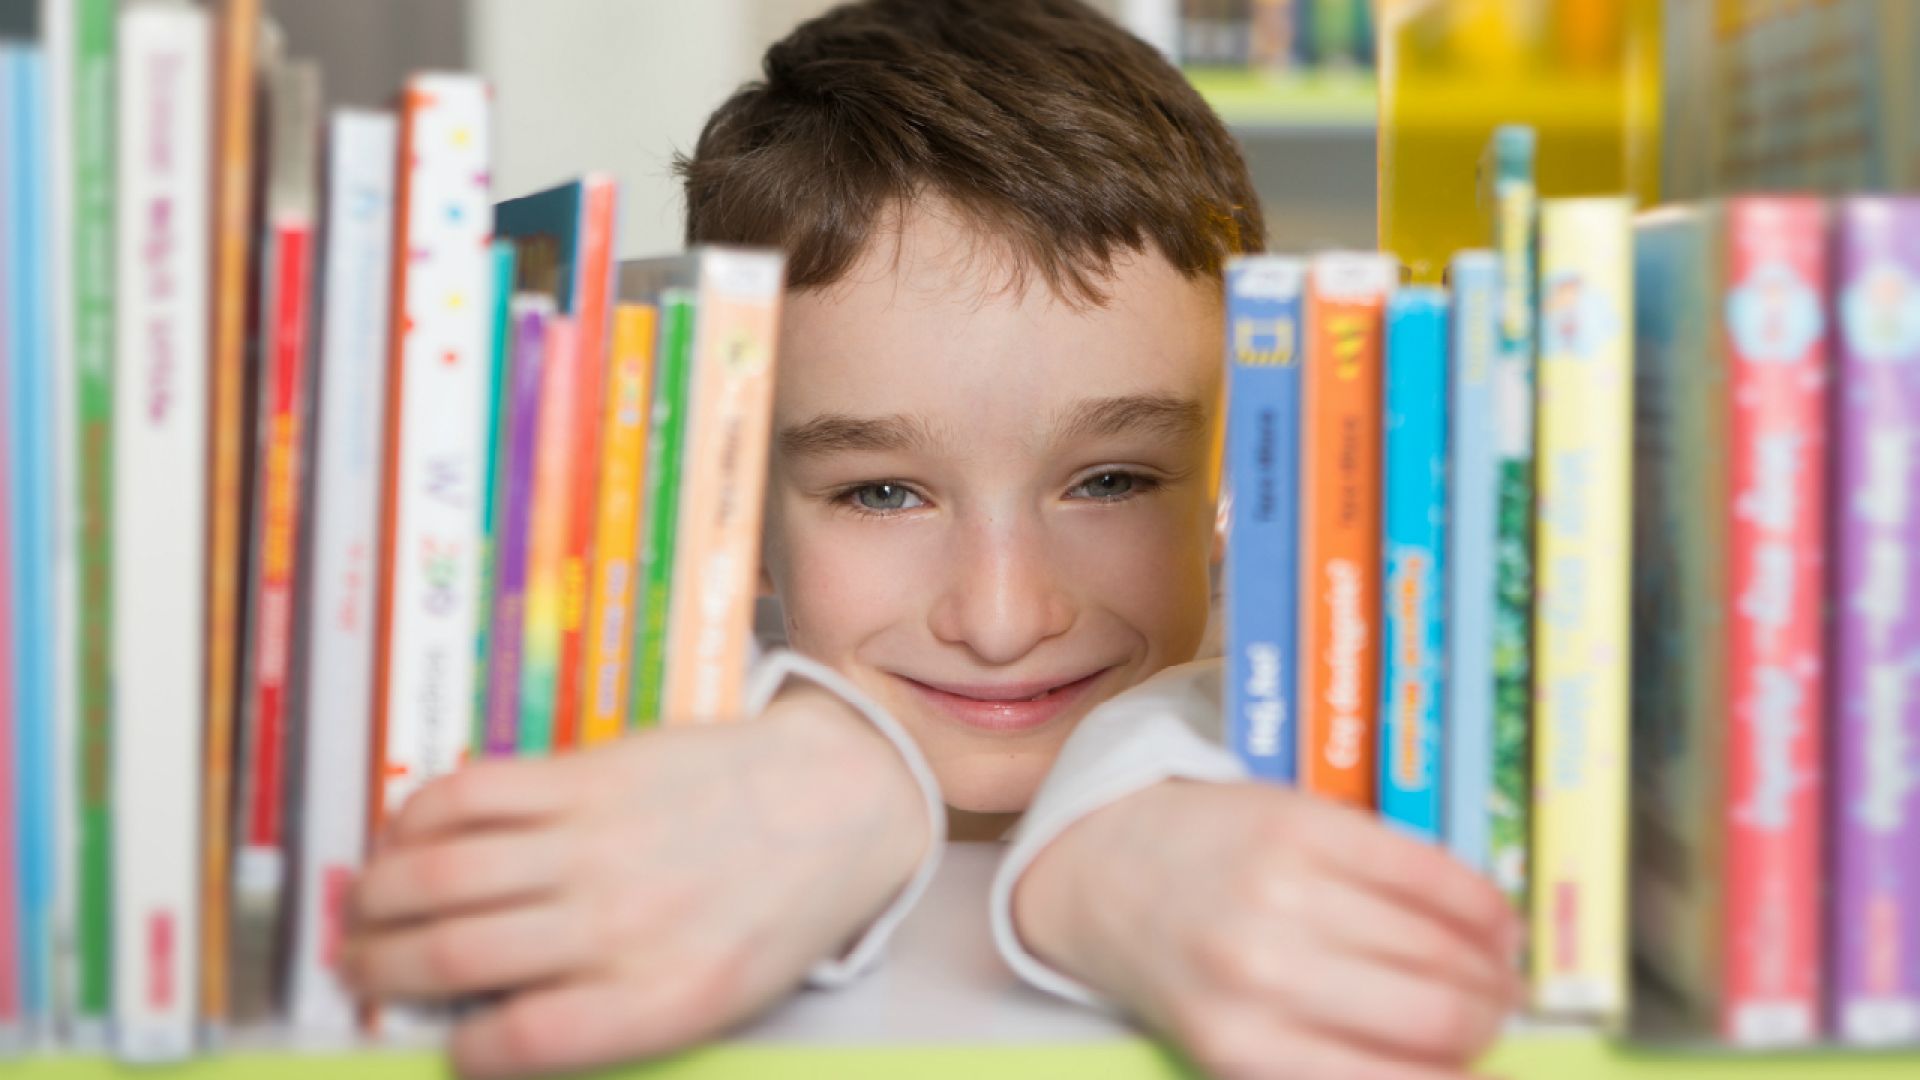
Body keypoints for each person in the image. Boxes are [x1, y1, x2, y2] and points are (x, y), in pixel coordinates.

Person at [342, 2, 1521, 1077]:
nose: (1005, 618)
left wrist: (1118, 844)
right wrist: (845, 772)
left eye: (1110, 479)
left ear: (1243, 479)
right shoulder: (606, 725)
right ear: (725, 506)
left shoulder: (1375, 717)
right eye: (882, 495)